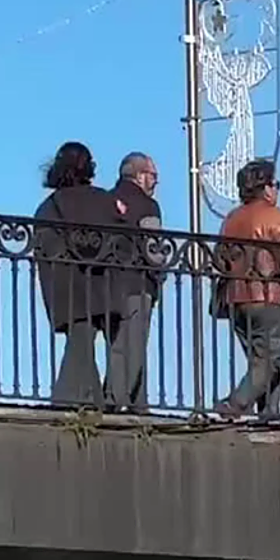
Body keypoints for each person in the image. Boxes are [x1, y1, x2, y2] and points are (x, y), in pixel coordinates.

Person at [215, 159, 280, 416]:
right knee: (270, 360)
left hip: (236, 299)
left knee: (261, 360)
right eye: (276, 184)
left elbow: (219, 259)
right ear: (267, 188)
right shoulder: (276, 217)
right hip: (267, 296)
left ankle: (270, 412)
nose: (278, 190)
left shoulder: (231, 220)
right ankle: (236, 402)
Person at [33, 141, 126, 408]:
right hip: (99, 282)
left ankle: (74, 401)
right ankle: (74, 401)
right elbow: (120, 241)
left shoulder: (48, 208)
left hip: (66, 286)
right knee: (84, 341)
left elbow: (44, 249)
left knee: (80, 340)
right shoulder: (104, 201)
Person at [107, 151, 166, 412]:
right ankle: (117, 399)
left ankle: (137, 402)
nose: (155, 182)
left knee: (117, 343)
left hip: (107, 283)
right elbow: (153, 248)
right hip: (138, 282)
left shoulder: (106, 200)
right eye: (153, 176)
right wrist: (160, 271)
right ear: (140, 176)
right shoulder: (147, 206)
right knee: (133, 343)